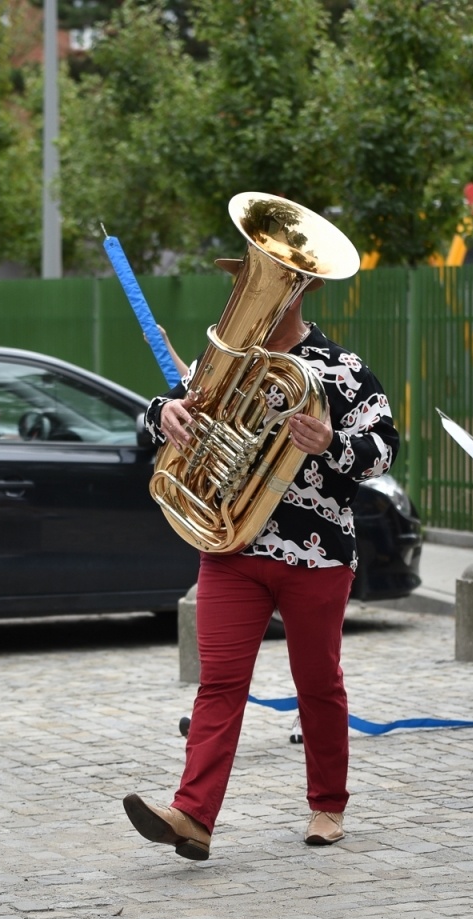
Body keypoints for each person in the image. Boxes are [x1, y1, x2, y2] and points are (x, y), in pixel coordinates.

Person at [123, 262, 398, 860]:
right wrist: (162, 413)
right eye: (246, 279)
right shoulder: (226, 360)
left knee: (317, 684)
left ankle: (328, 805)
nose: (252, 292)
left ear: (301, 290)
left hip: (317, 553)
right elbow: (169, 409)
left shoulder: (343, 369)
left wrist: (331, 443)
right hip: (232, 545)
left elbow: (384, 449)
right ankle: (192, 816)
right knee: (219, 683)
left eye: (274, 280)